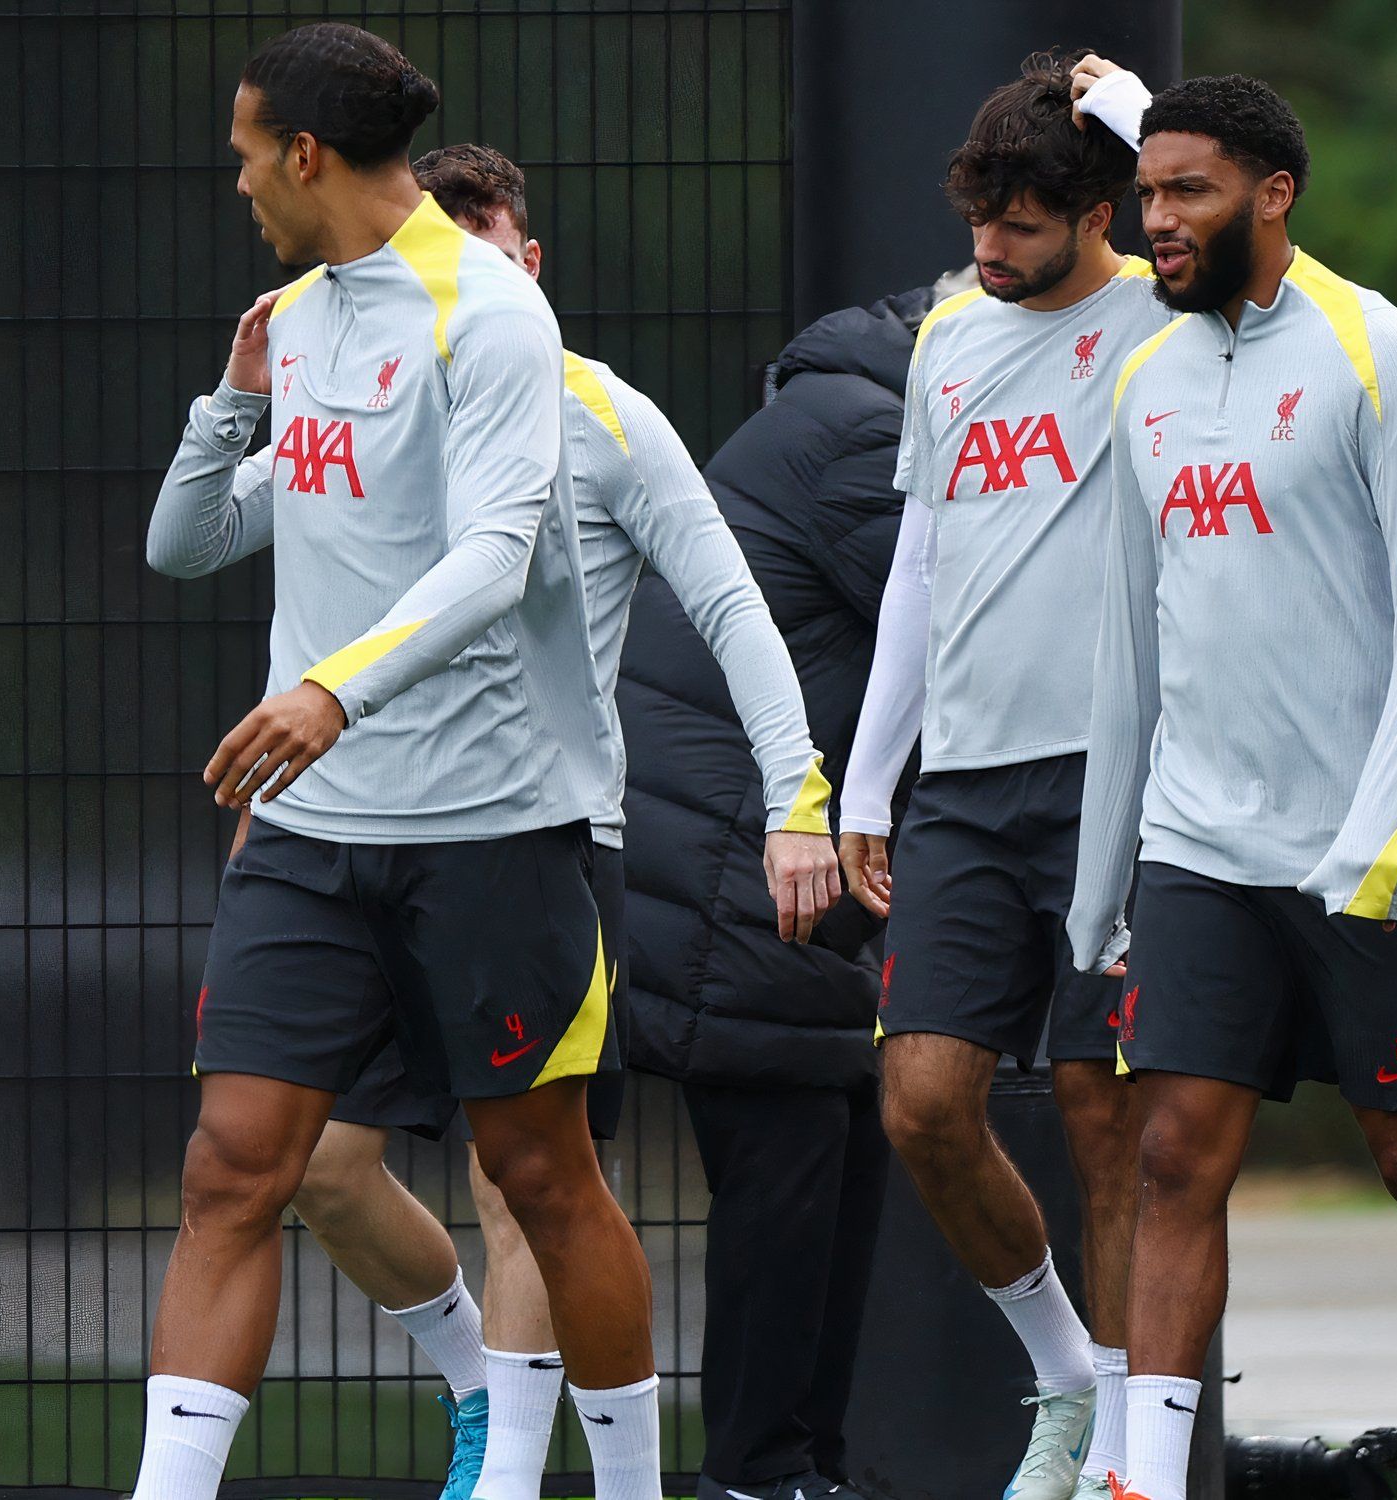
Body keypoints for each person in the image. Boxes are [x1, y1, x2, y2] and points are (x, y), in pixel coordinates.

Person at [250, 142, 842, 1500]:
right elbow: (311, 607)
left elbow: (737, 608)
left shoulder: (604, 417)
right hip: (355, 842)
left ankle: (511, 1477)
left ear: (532, 263)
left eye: (495, 248)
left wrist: (799, 797)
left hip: (532, 848)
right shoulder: (362, 397)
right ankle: (476, 1386)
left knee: (529, 1178)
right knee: (319, 1169)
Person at [134, 26, 666, 1500]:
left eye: (247, 154)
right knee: (235, 1167)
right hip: (310, 834)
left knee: (549, 1183)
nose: (237, 181)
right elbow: (184, 544)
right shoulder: (296, 321)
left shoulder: (492, 317)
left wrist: (334, 692)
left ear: (304, 156)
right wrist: (231, 398)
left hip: (494, 829)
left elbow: (497, 554)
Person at [1067, 72, 1397, 1500]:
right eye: (1147, 192)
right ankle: (1151, 1482)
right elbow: (1129, 645)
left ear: (1273, 196)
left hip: (1381, 852)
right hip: (1201, 846)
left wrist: (1375, 837)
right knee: (1176, 1152)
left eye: (1187, 193)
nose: (1153, 220)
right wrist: (1097, 888)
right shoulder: (1147, 379)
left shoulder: (1385, 355)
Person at [831, 50, 1170, 1500]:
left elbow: (1277, 263)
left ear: (1103, 212)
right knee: (920, 1101)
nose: (990, 246)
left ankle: (1137, 1465)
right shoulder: (951, 335)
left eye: (1026, 221)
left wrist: (1147, 122)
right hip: (962, 788)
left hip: (1119, 778)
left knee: (1107, 1112)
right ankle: (1071, 1379)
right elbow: (919, 559)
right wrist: (865, 782)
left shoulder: (1174, 319)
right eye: (982, 215)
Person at [612, 278, 964, 1500]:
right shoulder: (866, 433)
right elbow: (983, 622)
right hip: (733, 858)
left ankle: (798, 1466)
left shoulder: (850, 406)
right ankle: (759, 1473)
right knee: (790, 1161)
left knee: (833, 1149)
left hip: (754, 846)